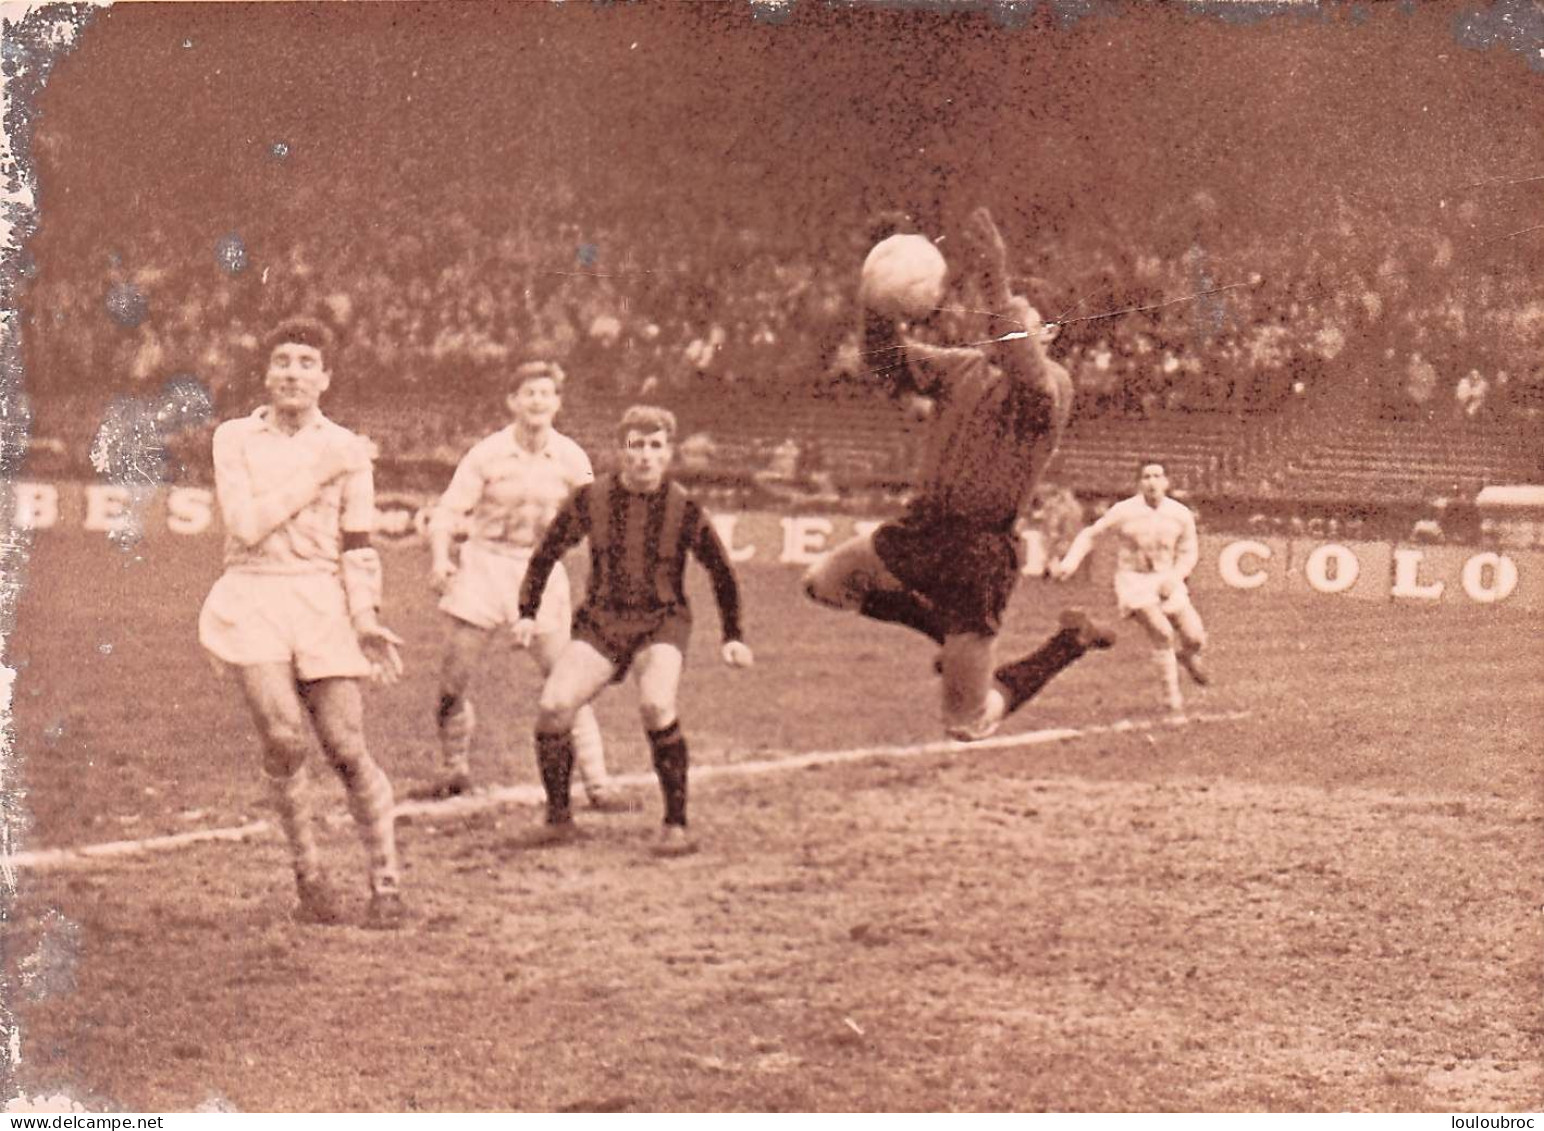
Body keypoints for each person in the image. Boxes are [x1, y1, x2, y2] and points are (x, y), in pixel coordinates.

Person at [803, 206, 1114, 742]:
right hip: (922, 527)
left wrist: (997, 282)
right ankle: (946, 634)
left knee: (966, 724)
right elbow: (887, 360)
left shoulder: (1052, 388)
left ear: (1051, 335)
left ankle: (1068, 644)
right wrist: (875, 302)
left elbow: (1024, 363)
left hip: (980, 552)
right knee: (826, 585)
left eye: (1019, 318)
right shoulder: (963, 367)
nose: (999, 326)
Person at [198, 317, 407, 928]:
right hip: (253, 594)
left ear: (326, 378)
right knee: (285, 738)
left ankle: (387, 881)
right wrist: (321, 470)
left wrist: (365, 616)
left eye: (306, 362)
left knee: (345, 747)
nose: (293, 371)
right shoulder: (234, 438)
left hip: (323, 601)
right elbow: (245, 523)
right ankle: (310, 877)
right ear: (266, 374)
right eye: (282, 360)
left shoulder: (348, 449)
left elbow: (359, 542)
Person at [514, 405, 753, 856]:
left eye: (655, 446)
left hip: (660, 620)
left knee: (656, 703)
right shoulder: (590, 500)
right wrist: (527, 611)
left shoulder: (683, 508)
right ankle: (560, 819)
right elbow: (546, 554)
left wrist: (733, 635)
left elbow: (720, 570)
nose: (645, 456)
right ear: (621, 449)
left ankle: (676, 824)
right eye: (636, 445)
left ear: (669, 453)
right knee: (553, 706)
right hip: (602, 621)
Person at [423, 360, 627, 810]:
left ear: (557, 403)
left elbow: (597, 518)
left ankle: (598, 782)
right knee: (453, 680)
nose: (537, 402)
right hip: (484, 566)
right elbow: (448, 512)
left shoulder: (571, 457)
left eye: (546, 394)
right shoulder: (486, 454)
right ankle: (453, 767)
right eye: (528, 393)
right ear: (512, 402)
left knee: (565, 679)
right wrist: (441, 559)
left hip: (540, 570)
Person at [1050, 462, 1210, 715]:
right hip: (1134, 581)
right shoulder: (1124, 511)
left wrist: (1176, 577)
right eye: (1146, 477)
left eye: (1157, 476)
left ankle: (1188, 656)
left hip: (1167, 578)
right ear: (1139, 483)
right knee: (1163, 633)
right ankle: (1172, 701)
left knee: (1195, 637)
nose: (1152, 482)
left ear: (1167, 482)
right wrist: (1070, 562)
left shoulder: (1180, 514)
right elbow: (1091, 534)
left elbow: (1189, 553)